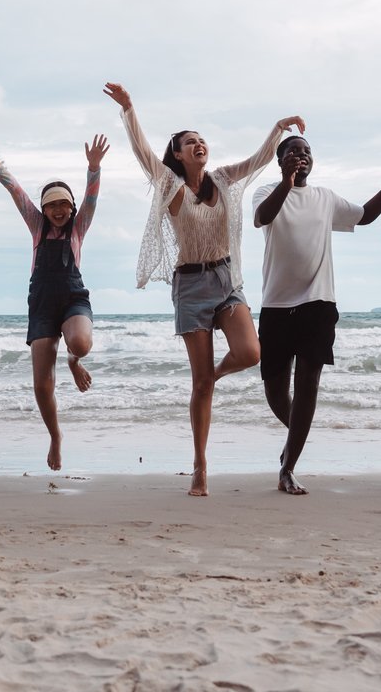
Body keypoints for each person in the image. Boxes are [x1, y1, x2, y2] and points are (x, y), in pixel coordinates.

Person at [103, 82, 303, 497]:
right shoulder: (171, 186)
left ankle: (211, 375)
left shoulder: (223, 179)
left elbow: (258, 161)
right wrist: (129, 110)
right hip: (191, 285)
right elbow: (143, 154)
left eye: (201, 140)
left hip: (226, 280)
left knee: (249, 352)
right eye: (189, 142)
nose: (199, 145)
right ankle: (200, 465)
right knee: (200, 387)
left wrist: (278, 129)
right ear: (177, 153)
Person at [251, 137, 381, 494]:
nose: (301, 156)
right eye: (293, 152)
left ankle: (288, 467)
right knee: (274, 388)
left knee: (308, 384)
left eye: (306, 152)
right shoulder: (266, 191)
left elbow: (364, 215)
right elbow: (262, 218)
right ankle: (298, 433)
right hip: (275, 304)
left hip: (318, 303)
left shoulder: (325, 198)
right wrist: (286, 184)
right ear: (280, 162)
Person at [0, 129, 107, 472]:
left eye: (64, 204)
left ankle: (74, 362)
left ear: (72, 207)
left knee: (81, 343)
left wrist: (93, 168)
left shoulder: (79, 228)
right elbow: (14, 190)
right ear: (43, 209)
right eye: (51, 205)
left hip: (73, 296)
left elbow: (91, 199)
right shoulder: (36, 226)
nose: (58, 210)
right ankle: (55, 436)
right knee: (42, 383)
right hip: (42, 303)